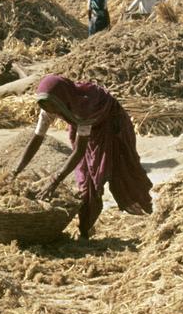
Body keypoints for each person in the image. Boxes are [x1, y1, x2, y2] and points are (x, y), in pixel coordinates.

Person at [12, 75, 153, 239]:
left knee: (120, 174)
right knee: (85, 182)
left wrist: (55, 180)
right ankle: (85, 229)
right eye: (47, 107)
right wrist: (15, 171)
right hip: (83, 127)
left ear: (62, 101)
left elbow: (79, 151)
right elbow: (36, 139)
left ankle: (147, 216)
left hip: (111, 127)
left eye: (54, 107)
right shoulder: (49, 105)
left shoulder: (83, 108)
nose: (52, 111)